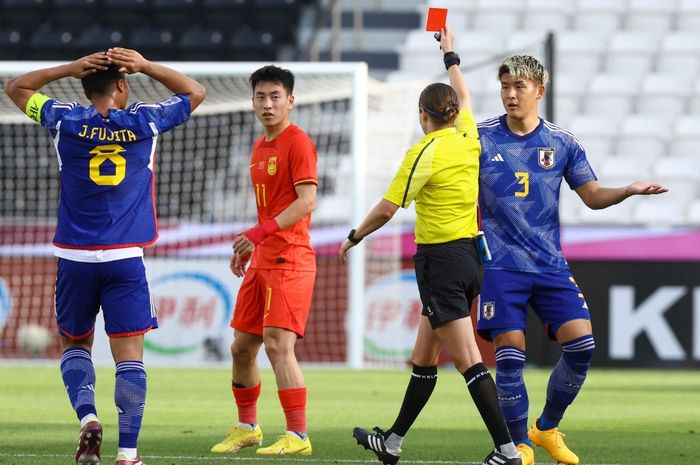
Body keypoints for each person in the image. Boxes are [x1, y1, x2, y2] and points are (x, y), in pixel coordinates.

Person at [4, 49, 206, 465]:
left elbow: (15, 87)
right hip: (125, 258)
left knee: (75, 344)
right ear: (121, 84)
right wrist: (146, 65)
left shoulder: (65, 119)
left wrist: (68, 68)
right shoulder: (145, 120)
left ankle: (88, 418)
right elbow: (195, 92)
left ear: (85, 84)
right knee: (129, 357)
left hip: (74, 258)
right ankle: (128, 454)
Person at [339, 27, 521, 465]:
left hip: (440, 262)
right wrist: (450, 54)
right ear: (455, 113)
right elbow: (465, 95)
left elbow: (386, 208)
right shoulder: (469, 135)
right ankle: (393, 442)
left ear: (423, 115)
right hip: (470, 258)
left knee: (471, 363)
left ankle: (508, 451)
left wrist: (353, 236)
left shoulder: (425, 150)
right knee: (424, 356)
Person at [475, 54, 668, 465]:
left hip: (549, 264)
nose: (510, 94)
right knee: (510, 352)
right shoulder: (481, 138)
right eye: (505, 86)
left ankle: (544, 429)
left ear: (539, 91)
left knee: (582, 345)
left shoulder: (562, 142)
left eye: (519, 87)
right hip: (501, 265)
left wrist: (628, 190)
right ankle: (519, 447)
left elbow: (593, 196)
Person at [210, 65, 317, 457]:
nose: (268, 104)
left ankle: (298, 435)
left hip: (291, 259)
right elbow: (270, 210)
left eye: (275, 96)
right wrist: (252, 246)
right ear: (252, 100)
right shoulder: (259, 147)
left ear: (290, 100)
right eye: (261, 96)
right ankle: (247, 427)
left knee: (277, 346)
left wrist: (259, 234)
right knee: (241, 347)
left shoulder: (298, 143)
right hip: (263, 258)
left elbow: (306, 201)